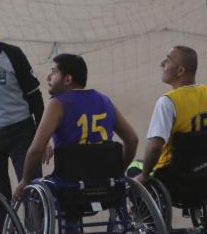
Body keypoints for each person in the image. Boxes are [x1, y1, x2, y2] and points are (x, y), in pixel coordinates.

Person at [12, 54, 138, 199]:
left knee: (34, 192)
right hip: (105, 183)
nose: (48, 77)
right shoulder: (105, 100)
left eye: (53, 71)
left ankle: (36, 212)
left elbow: (36, 150)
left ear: (67, 79)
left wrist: (25, 180)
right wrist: (117, 171)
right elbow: (132, 140)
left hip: (70, 185)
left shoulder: (58, 104)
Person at [0, 12, 44, 231]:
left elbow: (35, 97)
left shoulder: (13, 54)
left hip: (21, 131)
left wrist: (43, 138)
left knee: (32, 188)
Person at [132, 46, 207, 183]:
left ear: (180, 71)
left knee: (134, 167)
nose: (162, 64)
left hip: (171, 178)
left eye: (168, 60)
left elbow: (155, 147)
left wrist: (144, 175)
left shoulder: (167, 101)